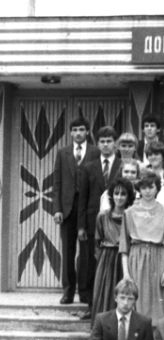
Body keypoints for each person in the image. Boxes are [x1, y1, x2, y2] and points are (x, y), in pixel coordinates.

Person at [119, 170, 164, 327]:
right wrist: (126, 273)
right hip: (137, 258)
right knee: (139, 299)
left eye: (151, 187)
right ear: (139, 189)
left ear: (157, 188)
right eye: (144, 187)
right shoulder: (129, 212)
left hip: (159, 256)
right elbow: (124, 247)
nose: (147, 191)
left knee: (160, 301)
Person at [53, 117, 99, 305]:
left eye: (82, 129)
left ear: (87, 131)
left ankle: (85, 291)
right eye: (75, 130)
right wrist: (57, 209)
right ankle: (68, 291)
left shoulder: (95, 152)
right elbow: (57, 183)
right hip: (68, 209)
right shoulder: (62, 153)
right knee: (68, 251)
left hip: (88, 209)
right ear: (71, 133)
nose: (78, 133)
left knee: (87, 252)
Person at [78, 126, 122, 319]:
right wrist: (81, 226)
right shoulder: (89, 167)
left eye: (109, 141)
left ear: (115, 143)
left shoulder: (122, 165)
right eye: (102, 141)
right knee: (90, 263)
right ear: (98, 144)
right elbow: (83, 197)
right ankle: (91, 304)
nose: (106, 145)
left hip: (116, 223)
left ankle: (113, 304)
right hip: (92, 222)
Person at [91, 178, 135, 325]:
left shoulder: (131, 216)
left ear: (128, 197)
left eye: (123, 194)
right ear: (111, 195)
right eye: (116, 193)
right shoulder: (103, 216)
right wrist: (102, 262)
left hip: (125, 258)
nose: (119, 197)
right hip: (107, 258)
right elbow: (97, 241)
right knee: (105, 294)